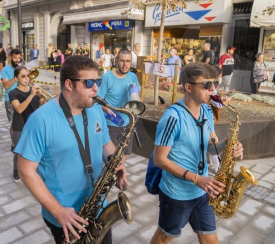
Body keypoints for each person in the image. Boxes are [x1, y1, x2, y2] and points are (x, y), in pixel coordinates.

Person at [15, 56, 128, 244]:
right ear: (69, 84)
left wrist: (114, 162)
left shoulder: (96, 109)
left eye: (97, 82)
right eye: (89, 83)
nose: (96, 88)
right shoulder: (40, 119)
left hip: (98, 206)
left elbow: (105, 144)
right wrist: (58, 211)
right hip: (66, 215)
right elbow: (25, 170)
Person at [149, 62, 243, 244]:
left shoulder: (207, 111)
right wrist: (196, 178)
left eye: (214, 84)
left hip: (202, 190)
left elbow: (210, 144)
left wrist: (228, 145)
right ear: (188, 87)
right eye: (207, 85)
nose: (213, 90)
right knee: (163, 237)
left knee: (210, 239)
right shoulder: (172, 118)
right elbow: (160, 160)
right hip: (177, 194)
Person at [98, 49, 140, 157]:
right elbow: (97, 100)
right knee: (108, 159)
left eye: (128, 61)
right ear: (117, 61)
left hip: (128, 123)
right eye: (122, 61)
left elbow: (136, 97)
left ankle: (122, 173)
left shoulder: (133, 76)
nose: (125, 64)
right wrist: (106, 109)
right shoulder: (106, 77)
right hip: (111, 124)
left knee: (123, 155)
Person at [9, 66, 43, 182]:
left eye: (28, 76)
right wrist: (31, 95)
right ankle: (16, 170)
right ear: (16, 78)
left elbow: (41, 106)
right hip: (20, 126)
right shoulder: (13, 93)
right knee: (20, 153)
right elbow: (19, 109)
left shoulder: (33, 91)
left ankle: (33, 172)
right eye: (23, 76)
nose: (26, 78)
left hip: (34, 127)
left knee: (36, 151)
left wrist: (43, 99)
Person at [1, 49, 21, 150]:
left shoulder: (21, 68)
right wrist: (15, 77)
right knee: (14, 123)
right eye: (15, 58)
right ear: (10, 57)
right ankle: (13, 143)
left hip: (22, 97)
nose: (17, 60)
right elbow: (6, 86)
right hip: (11, 99)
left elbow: (28, 82)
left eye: (19, 58)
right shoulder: (5, 70)